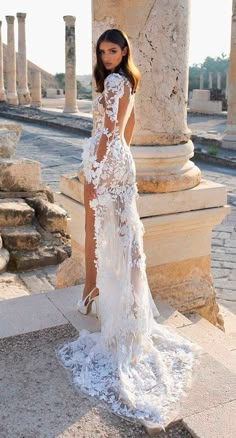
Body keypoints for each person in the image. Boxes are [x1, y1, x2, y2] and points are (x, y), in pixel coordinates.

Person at [56, 28, 201, 432]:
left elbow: (109, 132)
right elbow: (128, 127)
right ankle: (124, 310)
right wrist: (117, 158)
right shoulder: (125, 81)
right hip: (121, 161)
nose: (106, 56)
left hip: (107, 163)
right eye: (102, 51)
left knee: (108, 235)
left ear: (124, 53)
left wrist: (98, 169)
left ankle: (108, 306)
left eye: (113, 50)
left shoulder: (116, 81)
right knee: (124, 237)